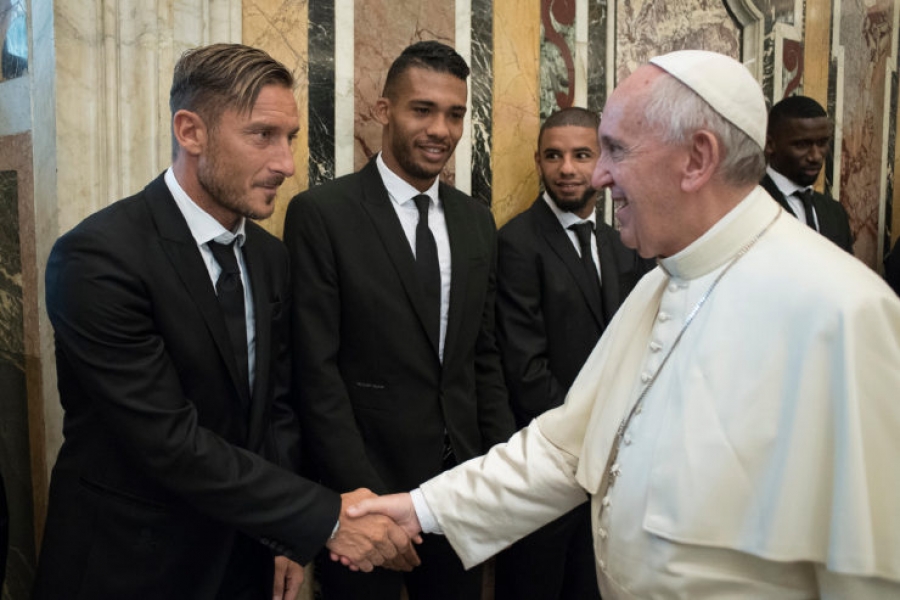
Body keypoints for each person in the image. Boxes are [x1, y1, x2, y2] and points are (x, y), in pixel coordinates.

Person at [347, 50, 900, 598]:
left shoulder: (841, 311)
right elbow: (567, 448)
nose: (600, 175)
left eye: (615, 149)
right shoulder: (662, 284)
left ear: (697, 158)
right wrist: (422, 508)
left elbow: (869, 572)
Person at [34, 43, 417, 600]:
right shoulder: (97, 258)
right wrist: (322, 518)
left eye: (289, 138)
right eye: (262, 135)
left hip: (243, 558)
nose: (286, 163)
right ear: (191, 131)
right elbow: (169, 440)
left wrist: (282, 538)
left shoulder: (268, 257)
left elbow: (278, 407)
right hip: (133, 563)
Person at [283, 40, 515, 600]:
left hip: (456, 494)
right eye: (423, 109)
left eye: (456, 114)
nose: (441, 129)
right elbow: (317, 372)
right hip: (363, 496)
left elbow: (481, 358)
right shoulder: (323, 215)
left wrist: (499, 478)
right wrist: (360, 502)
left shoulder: (476, 222)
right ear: (384, 110)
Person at [493, 107, 652, 600]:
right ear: (538, 161)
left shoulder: (621, 241)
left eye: (582, 155)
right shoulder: (518, 242)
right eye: (553, 156)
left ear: (603, 161)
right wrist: (590, 443)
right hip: (551, 466)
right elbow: (525, 368)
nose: (567, 169)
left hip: (612, 476)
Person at [761, 95, 854, 252]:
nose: (816, 156)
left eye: (822, 143)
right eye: (802, 145)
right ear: (770, 144)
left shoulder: (835, 213)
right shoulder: (748, 204)